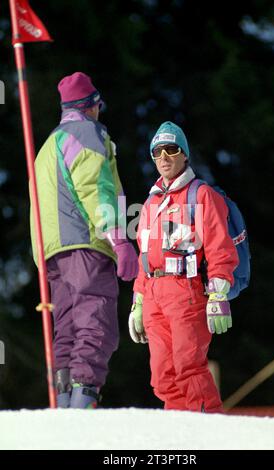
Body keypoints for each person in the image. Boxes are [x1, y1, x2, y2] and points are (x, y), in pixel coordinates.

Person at [30, 72, 138, 408]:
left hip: (53, 252)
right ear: (91, 106)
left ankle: (64, 404)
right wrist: (119, 239)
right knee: (96, 321)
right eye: (98, 105)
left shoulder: (48, 145)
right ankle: (83, 403)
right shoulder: (87, 133)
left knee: (68, 327)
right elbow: (95, 188)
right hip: (86, 244)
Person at [129, 121, 238, 412]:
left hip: (185, 292)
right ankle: (178, 439)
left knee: (189, 368)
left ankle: (208, 436)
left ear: (184, 154)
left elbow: (220, 249)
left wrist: (218, 294)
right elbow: (144, 256)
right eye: (157, 152)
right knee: (163, 377)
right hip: (153, 294)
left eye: (171, 149)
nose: (163, 157)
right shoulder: (151, 203)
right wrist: (137, 301)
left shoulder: (201, 195)